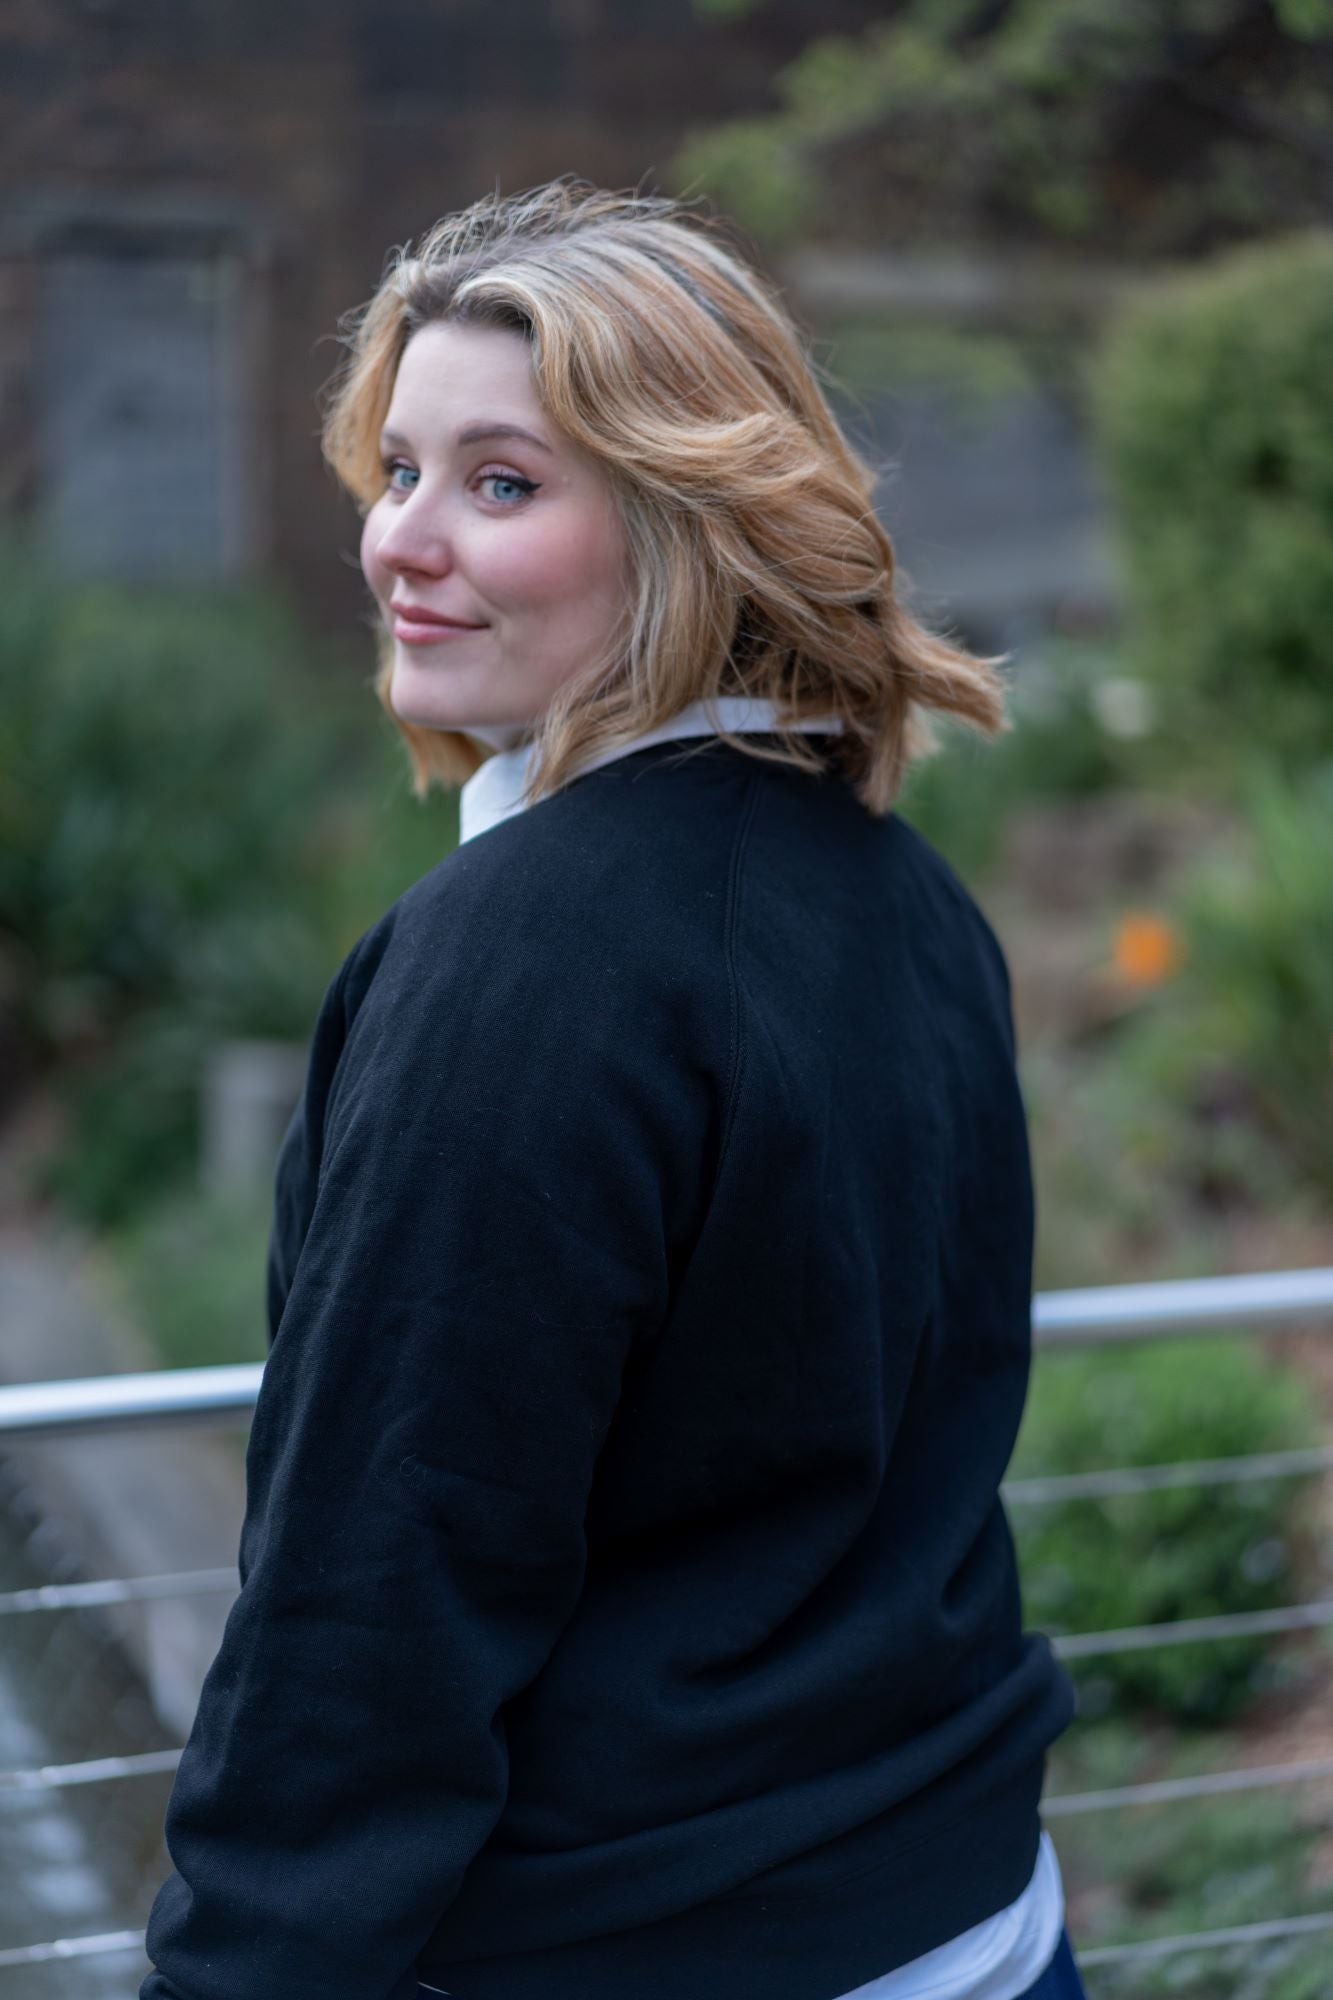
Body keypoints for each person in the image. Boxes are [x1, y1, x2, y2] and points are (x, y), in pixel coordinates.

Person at [140, 177, 1087, 2000]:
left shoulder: (524, 965)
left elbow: (380, 1587)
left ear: (686, 525)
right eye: (396, 471)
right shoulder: (898, 890)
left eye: (501, 483)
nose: (400, 542)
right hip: (974, 1921)